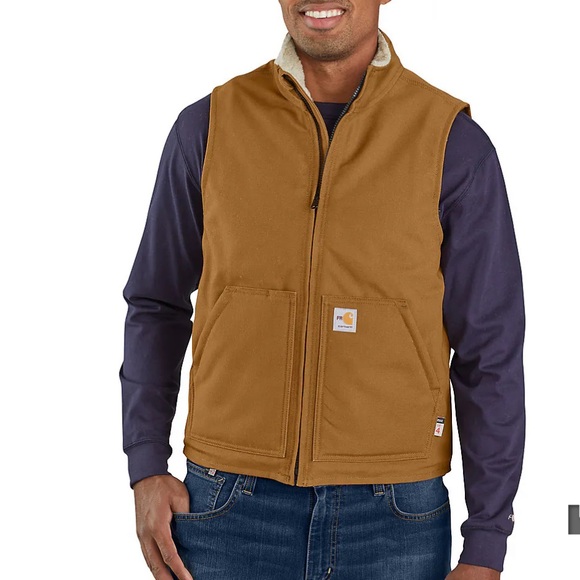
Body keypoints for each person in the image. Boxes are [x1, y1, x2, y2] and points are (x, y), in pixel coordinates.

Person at [119, 1, 526, 579]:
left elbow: (490, 348)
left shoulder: (452, 143)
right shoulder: (208, 126)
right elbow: (156, 303)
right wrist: (145, 465)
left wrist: (487, 541)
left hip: (395, 518)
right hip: (226, 508)